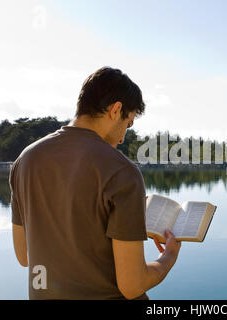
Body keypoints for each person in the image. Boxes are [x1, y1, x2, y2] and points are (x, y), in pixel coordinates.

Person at [10, 66, 181, 300]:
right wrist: (168, 257)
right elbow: (132, 285)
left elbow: (25, 255)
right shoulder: (121, 171)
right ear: (116, 109)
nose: (122, 138)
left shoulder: (25, 160)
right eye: (128, 124)